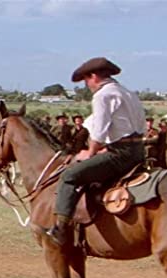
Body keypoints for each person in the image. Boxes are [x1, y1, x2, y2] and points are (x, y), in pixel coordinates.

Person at [47, 57, 146, 247]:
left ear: (93, 76)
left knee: (69, 176)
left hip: (120, 154)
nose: (86, 84)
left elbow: (99, 132)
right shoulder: (127, 93)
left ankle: (61, 230)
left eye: (86, 80)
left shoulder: (103, 96)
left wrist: (90, 152)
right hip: (138, 151)